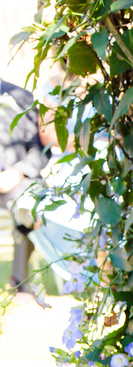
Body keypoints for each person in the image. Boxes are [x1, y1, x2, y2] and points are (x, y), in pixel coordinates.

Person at [0, 78, 51, 291]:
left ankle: (19, 282)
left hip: (14, 181)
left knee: (28, 203)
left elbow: (40, 150)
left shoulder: (20, 97)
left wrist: (18, 172)